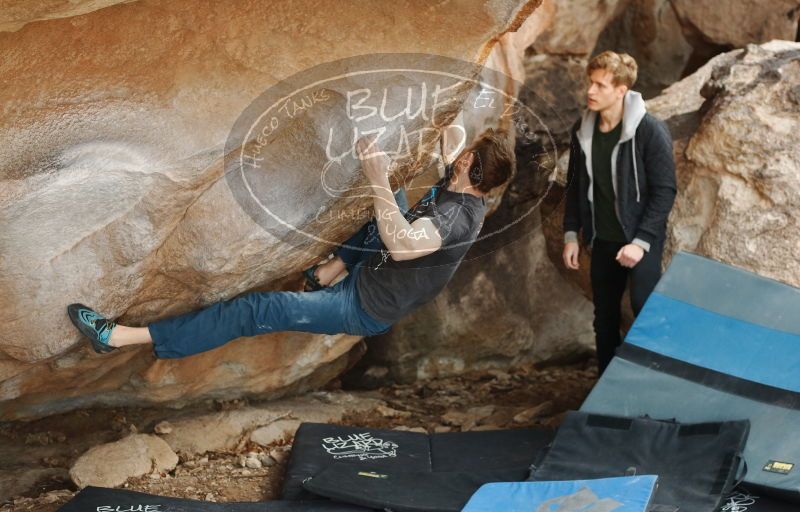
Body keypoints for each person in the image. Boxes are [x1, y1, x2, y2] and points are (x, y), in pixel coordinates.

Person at [68, 128, 515, 358]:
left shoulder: (455, 218)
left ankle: (120, 337)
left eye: (465, 156)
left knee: (256, 311)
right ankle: (330, 270)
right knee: (391, 195)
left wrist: (378, 176)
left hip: (363, 307)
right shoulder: (461, 187)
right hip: (367, 274)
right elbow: (451, 138)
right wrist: (453, 148)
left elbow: (400, 245)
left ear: (468, 165)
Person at [562, 51, 676, 374]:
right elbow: (573, 187)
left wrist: (640, 242)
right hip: (602, 239)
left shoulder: (650, 130)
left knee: (644, 309)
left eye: (600, 85)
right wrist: (571, 235)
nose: (591, 91)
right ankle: (605, 391)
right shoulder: (581, 131)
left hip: (640, 238)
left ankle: (653, 383)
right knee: (605, 319)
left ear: (621, 90)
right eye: (590, 83)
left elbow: (665, 191)